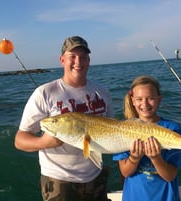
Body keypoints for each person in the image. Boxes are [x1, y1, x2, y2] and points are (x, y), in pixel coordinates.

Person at [14, 36, 114, 201]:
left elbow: (111, 128)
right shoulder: (44, 93)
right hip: (59, 181)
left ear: (89, 60)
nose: (78, 61)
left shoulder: (102, 91)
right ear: (62, 60)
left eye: (83, 57)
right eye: (72, 57)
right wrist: (44, 143)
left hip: (96, 176)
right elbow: (19, 140)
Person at [113, 75, 181, 201]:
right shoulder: (121, 129)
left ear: (159, 99)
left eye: (150, 98)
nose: (144, 104)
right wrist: (134, 158)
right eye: (139, 99)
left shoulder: (172, 128)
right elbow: (125, 172)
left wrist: (156, 158)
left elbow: (170, 176)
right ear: (133, 101)